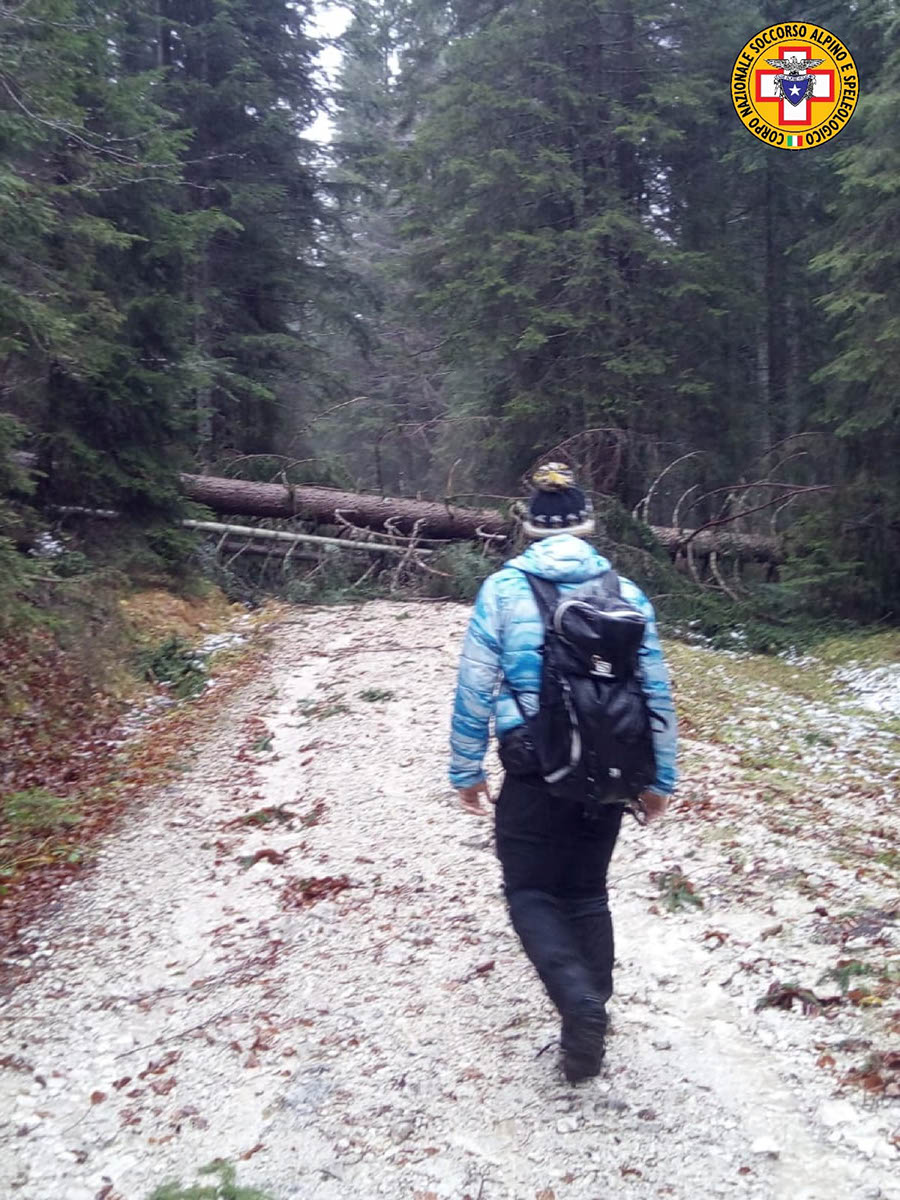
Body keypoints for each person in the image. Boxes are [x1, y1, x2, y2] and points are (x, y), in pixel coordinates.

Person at [449, 464, 677, 1083]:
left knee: (530, 890)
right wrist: (660, 778)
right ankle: (590, 1022)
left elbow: (475, 684)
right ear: (587, 527)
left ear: (528, 529)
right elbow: (655, 688)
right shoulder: (627, 594)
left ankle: (578, 1004)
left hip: (533, 768)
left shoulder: (502, 590)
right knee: (586, 891)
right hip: (611, 766)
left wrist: (466, 767)